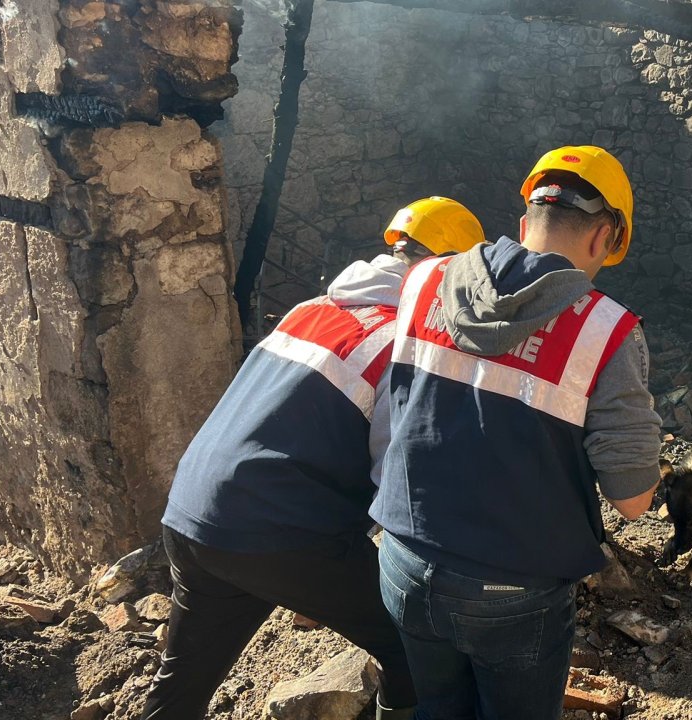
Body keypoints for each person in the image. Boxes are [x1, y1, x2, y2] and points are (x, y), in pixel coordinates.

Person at [143, 197, 485, 720]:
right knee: (414, 645)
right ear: (450, 274)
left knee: (184, 681)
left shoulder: (313, 309)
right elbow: (400, 482)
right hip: (275, 529)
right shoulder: (401, 342)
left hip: (194, 512)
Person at [372, 146, 661, 719]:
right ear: (604, 238)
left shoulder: (425, 278)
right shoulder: (607, 329)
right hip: (513, 591)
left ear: (525, 223)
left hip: (402, 561)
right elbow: (633, 501)